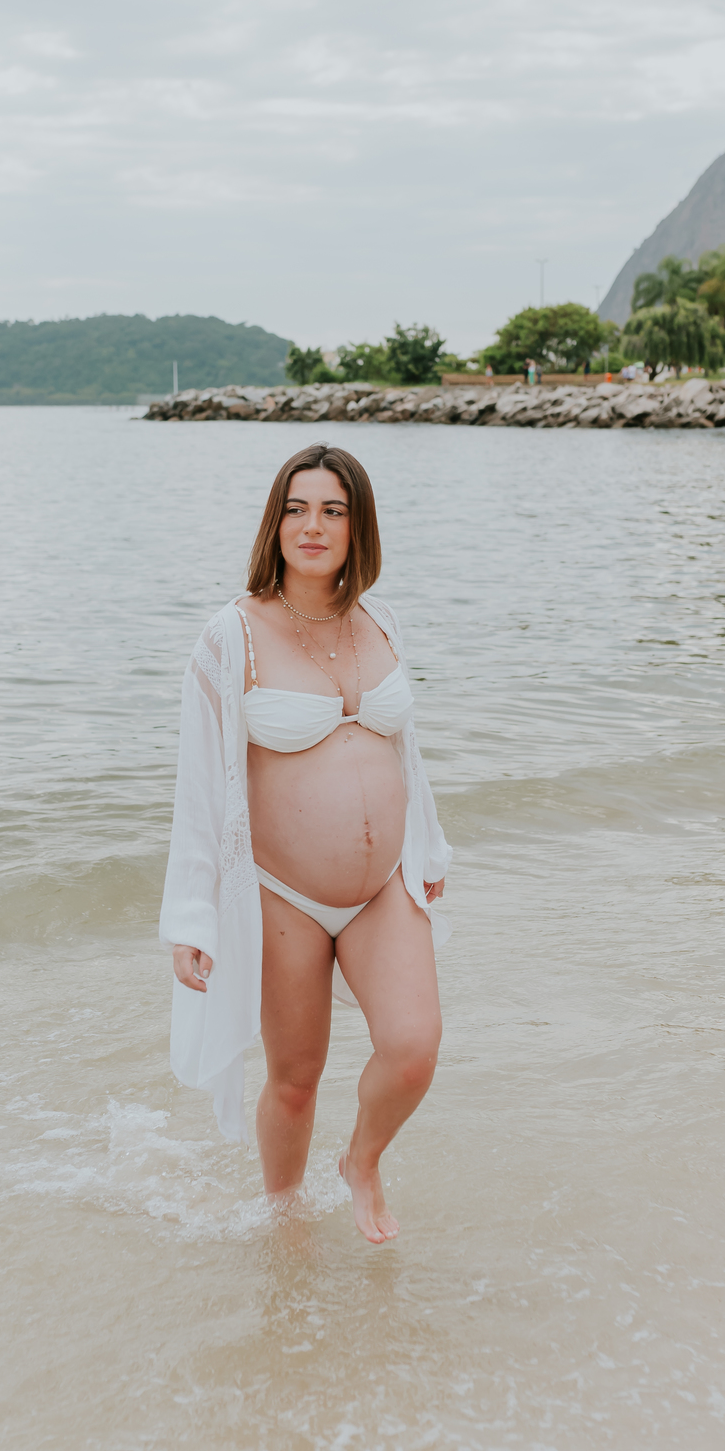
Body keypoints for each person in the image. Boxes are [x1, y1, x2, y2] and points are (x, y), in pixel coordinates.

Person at [160, 444, 451, 1244]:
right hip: (282, 891)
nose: (312, 526)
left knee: (413, 1048)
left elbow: (407, 755)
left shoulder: (382, 618)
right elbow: (199, 784)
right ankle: (284, 1223)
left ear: (359, 526)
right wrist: (192, 916)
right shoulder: (233, 634)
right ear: (274, 522)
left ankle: (361, 1161)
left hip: (382, 887)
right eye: (296, 508)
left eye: (332, 510)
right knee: (295, 1081)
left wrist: (427, 851)